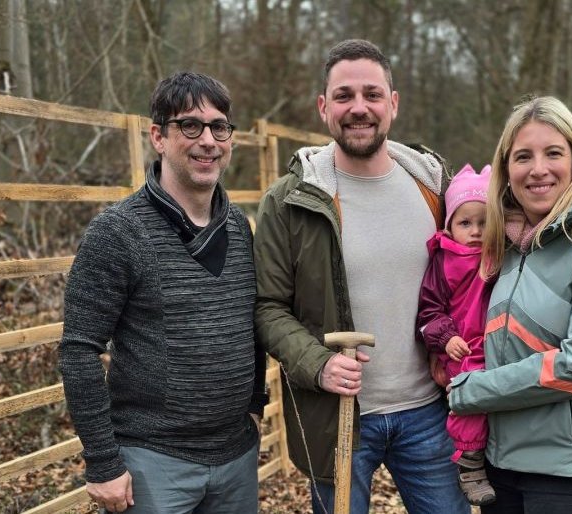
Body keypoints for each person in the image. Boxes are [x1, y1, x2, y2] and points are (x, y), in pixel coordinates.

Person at [253, 39, 470, 514]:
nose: (359, 108)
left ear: (392, 103)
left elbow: (477, 271)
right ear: (323, 107)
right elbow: (267, 306)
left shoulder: (436, 189)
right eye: (344, 95)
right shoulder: (290, 200)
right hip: (340, 419)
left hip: (428, 413)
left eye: (372, 94)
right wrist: (318, 363)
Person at [59, 71, 267, 514]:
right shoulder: (117, 232)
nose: (208, 140)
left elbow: (250, 323)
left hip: (236, 457)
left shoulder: (240, 228)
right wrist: (102, 463)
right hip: (153, 464)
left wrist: (253, 405)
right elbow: (78, 350)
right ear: (158, 136)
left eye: (219, 127)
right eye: (190, 126)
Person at [447, 96, 572, 514]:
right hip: (500, 462)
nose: (538, 169)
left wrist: (472, 391)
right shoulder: (506, 243)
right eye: (523, 156)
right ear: (506, 170)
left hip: (567, 470)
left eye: (553, 153)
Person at [416, 163, 496, 506]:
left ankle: (492, 458)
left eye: (484, 222)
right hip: (462, 349)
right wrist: (445, 338)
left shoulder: (500, 254)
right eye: (465, 223)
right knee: (471, 395)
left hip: (495, 344)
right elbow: (429, 309)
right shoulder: (445, 260)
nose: (475, 231)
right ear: (450, 225)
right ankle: (470, 462)